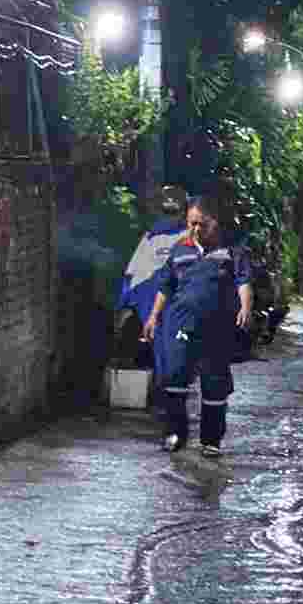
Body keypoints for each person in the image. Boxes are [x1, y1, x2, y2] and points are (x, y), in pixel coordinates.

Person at [143, 192, 254, 456]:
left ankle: (211, 441)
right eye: (191, 223)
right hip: (179, 323)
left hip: (216, 328)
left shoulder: (232, 250)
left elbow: (243, 281)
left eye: (201, 224)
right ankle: (174, 433)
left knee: (214, 384)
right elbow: (166, 285)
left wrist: (246, 308)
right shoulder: (180, 249)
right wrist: (153, 317)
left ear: (214, 222)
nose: (195, 229)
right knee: (174, 378)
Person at [114, 185, 190, 375]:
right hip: (169, 303)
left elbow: (131, 275)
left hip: (154, 303)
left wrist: (124, 303)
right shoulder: (188, 237)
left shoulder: (151, 238)